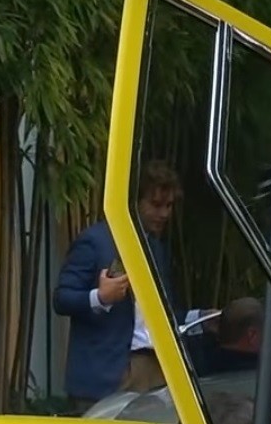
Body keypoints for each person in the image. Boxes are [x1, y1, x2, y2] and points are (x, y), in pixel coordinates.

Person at [53, 160, 189, 406]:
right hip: (109, 372)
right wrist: (100, 297)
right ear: (133, 202)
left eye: (169, 206)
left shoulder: (156, 247)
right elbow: (62, 298)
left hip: (155, 368)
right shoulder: (95, 241)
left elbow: (162, 310)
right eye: (156, 205)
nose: (164, 214)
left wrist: (199, 319)